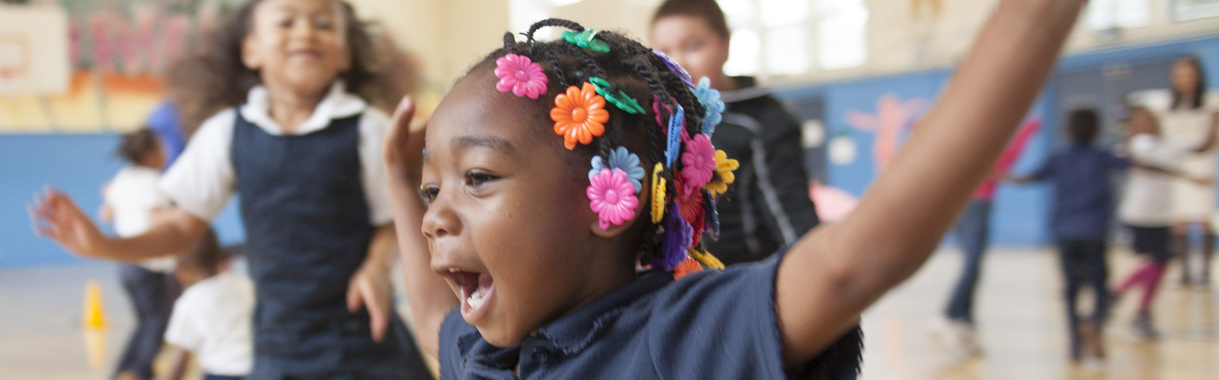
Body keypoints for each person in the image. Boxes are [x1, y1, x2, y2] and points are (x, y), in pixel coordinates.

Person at [383, 0, 1087, 377]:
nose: (433, 218)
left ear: (604, 201)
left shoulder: (677, 338)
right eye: (431, 189)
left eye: (475, 179)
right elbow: (425, 323)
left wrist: (1037, 14)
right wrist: (395, 178)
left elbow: (856, 262)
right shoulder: (482, 352)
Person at [30, 0, 433, 378]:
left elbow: (392, 217)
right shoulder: (226, 133)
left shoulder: (368, 128)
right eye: (286, 21)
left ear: (345, 53)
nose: (305, 32)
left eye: (324, 23)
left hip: (364, 334)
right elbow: (180, 229)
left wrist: (376, 267)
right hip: (278, 342)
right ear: (250, 50)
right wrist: (103, 245)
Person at [649, 0, 819, 265]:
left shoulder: (763, 122)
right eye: (664, 53)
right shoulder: (658, 122)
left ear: (724, 45)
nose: (678, 63)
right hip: (680, 280)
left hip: (747, 278)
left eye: (693, 46)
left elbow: (795, 224)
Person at [1006, 109, 1126, 362]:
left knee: (1071, 289)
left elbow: (1026, 178)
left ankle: (1074, 347)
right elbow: (1134, 163)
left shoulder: (1058, 158)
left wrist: (996, 173)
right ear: (1096, 129)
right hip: (1094, 233)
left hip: (1065, 233)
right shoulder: (1101, 156)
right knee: (1101, 287)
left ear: (1067, 129)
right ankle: (1094, 322)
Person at [932, 120, 1039, 357]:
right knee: (972, 266)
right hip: (974, 208)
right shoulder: (983, 153)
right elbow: (1012, 154)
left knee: (974, 267)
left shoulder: (970, 151)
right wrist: (1029, 128)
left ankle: (966, 320)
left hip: (966, 209)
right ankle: (949, 314)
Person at [1113, 106, 1203, 339]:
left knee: (1159, 263)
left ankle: (1135, 307)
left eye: (1149, 119)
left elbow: (1198, 148)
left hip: (1161, 216)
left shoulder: (1166, 144)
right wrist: (1186, 175)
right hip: (1140, 214)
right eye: (1140, 120)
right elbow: (1150, 163)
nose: (1146, 124)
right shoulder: (1136, 144)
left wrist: (1213, 125)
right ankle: (1122, 297)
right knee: (1159, 260)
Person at [100, 129, 180, 380]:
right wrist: (184, 216)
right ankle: (137, 372)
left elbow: (107, 214)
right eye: (161, 148)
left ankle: (123, 371)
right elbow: (157, 219)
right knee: (157, 322)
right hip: (150, 263)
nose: (165, 153)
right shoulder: (151, 181)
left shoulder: (122, 178)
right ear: (150, 154)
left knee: (145, 321)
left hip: (126, 263)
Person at [1148, 56, 1219, 287]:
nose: (1184, 79)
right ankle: (1185, 272)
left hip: (1201, 164)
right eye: (1179, 74)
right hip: (1176, 166)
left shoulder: (1211, 102)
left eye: (1189, 73)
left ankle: (1205, 273)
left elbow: (1212, 138)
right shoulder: (1165, 105)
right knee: (1178, 220)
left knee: (1202, 218)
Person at [165, 228, 254, 380]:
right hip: (258, 368)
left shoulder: (189, 302)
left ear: (181, 266)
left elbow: (179, 363)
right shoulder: (245, 284)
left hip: (221, 373)